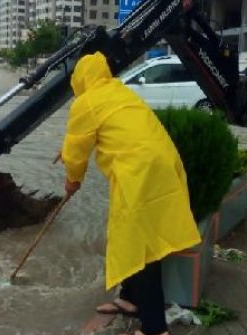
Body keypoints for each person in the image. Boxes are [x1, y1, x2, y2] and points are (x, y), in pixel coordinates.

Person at [54, 51, 202, 335]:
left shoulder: (86, 102)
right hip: (163, 167)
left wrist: (72, 180)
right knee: (139, 238)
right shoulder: (118, 91)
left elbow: (77, 152)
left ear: (80, 80)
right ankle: (130, 300)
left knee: (141, 246)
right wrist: (71, 155)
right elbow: (94, 136)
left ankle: (155, 328)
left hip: (140, 174)